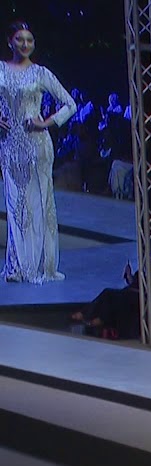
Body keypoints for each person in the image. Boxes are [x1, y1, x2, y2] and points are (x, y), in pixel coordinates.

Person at [1, 20, 76, 283]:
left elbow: (70, 104)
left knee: (38, 204)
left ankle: (42, 265)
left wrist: (46, 122)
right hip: (9, 146)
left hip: (37, 146)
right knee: (15, 205)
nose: (25, 44)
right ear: (10, 41)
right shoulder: (0, 70)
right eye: (19, 39)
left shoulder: (40, 73)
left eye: (29, 40)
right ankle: (18, 266)